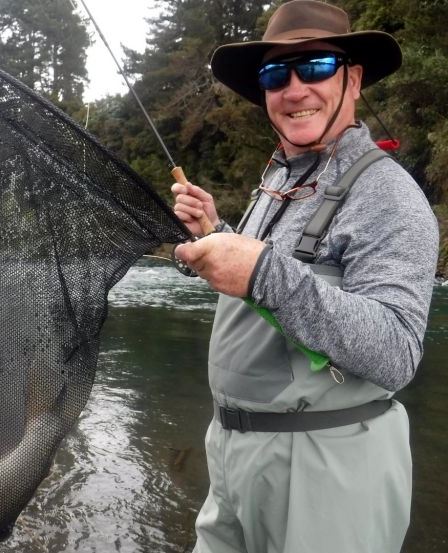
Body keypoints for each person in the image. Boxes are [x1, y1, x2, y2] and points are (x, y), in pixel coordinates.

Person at [171, 1, 439, 552]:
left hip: (329, 470)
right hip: (232, 457)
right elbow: (265, 288)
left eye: (315, 66)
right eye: (276, 74)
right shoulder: (278, 179)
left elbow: (396, 351)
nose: (294, 89)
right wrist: (216, 232)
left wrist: (261, 271)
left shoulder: (390, 195)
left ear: (353, 79)